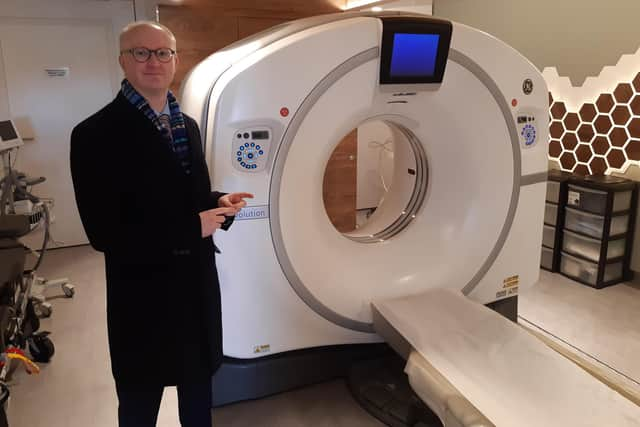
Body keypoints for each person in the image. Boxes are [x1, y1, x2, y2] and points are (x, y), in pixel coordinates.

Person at [69, 21, 253, 427]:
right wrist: (192, 228)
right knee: (139, 402)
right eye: (141, 52)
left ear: (175, 60)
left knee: (198, 398)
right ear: (123, 60)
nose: (153, 61)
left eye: (163, 52)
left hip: (195, 289)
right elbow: (103, 232)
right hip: (143, 295)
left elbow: (183, 196)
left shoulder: (186, 125)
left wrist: (216, 201)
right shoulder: (93, 135)